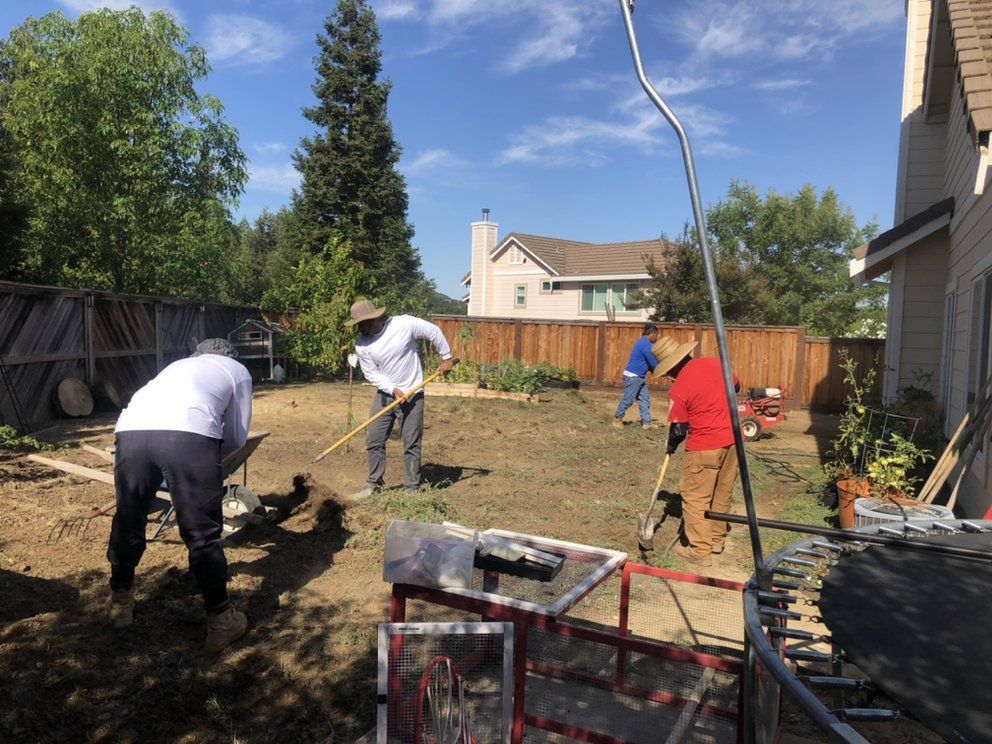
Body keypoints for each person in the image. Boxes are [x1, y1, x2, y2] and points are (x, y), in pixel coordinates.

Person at [106, 338, 253, 655]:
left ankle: (120, 605)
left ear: (197, 354)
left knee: (129, 518)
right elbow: (237, 435)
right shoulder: (237, 370)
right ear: (231, 356)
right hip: (189, 435)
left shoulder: (178, 365)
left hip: (130, 431)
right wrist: (209, 460)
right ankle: (221, 624)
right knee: (202, 533)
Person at [347, 300, 453, 498]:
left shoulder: (404, 324)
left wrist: (446, 357)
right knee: (374, 439)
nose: (359, 329)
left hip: (413, 394)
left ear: (373, 319)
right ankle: (374, 484)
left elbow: (433, 332)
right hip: (386, 394)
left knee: (411, 442)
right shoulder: (362, 344)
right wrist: (392, 389)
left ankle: (411, 488)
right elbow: (371, 374)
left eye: (361, 324)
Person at [658, 336, 740, 567]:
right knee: (721, 492)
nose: (668, 377)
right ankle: (716, 541)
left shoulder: (678, 389)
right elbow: (736, 386)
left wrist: (671, 446)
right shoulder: (715, 364)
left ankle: (700, 551)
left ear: (672, 367)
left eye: (667, 372)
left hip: (704, 446)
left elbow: (679, 429)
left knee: (695, 498)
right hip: (734, 441)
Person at [613, 323, 661, 430]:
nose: (657, 337)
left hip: (639, 377)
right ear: (652, 333)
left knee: (644, 399)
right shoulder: (647, 345)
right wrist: (662, 370)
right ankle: (617, 419)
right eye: (657, 335)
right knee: (628, 399)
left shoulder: (642, 342)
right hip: (633, 377)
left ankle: (647, 423)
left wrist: (658, 371)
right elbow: (653, 363)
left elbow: (648, 364)